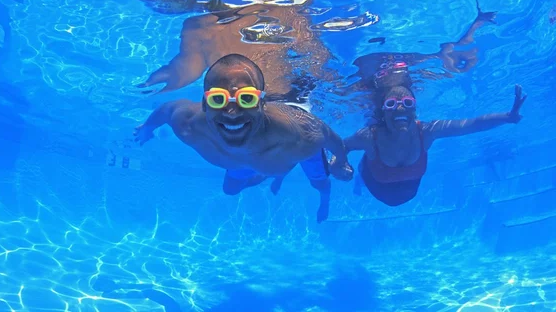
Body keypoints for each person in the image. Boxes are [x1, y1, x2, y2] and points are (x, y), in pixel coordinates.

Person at [133, 54, 353, 222]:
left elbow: (329, 136)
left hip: (288, 135)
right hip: (255, 160)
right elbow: (166, 109)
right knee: (230, 190)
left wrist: (340, 161)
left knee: (319, 184)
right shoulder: (189, 125)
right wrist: (147, 127)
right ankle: (266, 175)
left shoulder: (300, 138)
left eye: (246, 99)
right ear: (204, 104)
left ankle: (324, 201)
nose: (232, 112)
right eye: (218, 99)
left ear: (261, 104)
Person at [334, 84, 526, 206]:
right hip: (376, 186)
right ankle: (359, 179)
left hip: (410, 190)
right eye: (391, 104)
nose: (400, 107)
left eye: (407, 103)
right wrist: (338, 164)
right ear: (383, 112)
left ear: (415, 110)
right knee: (362, 167)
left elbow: (470, 125)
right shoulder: (369, 136)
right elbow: (340, 146)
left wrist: (507, 117)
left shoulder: (427, 131)